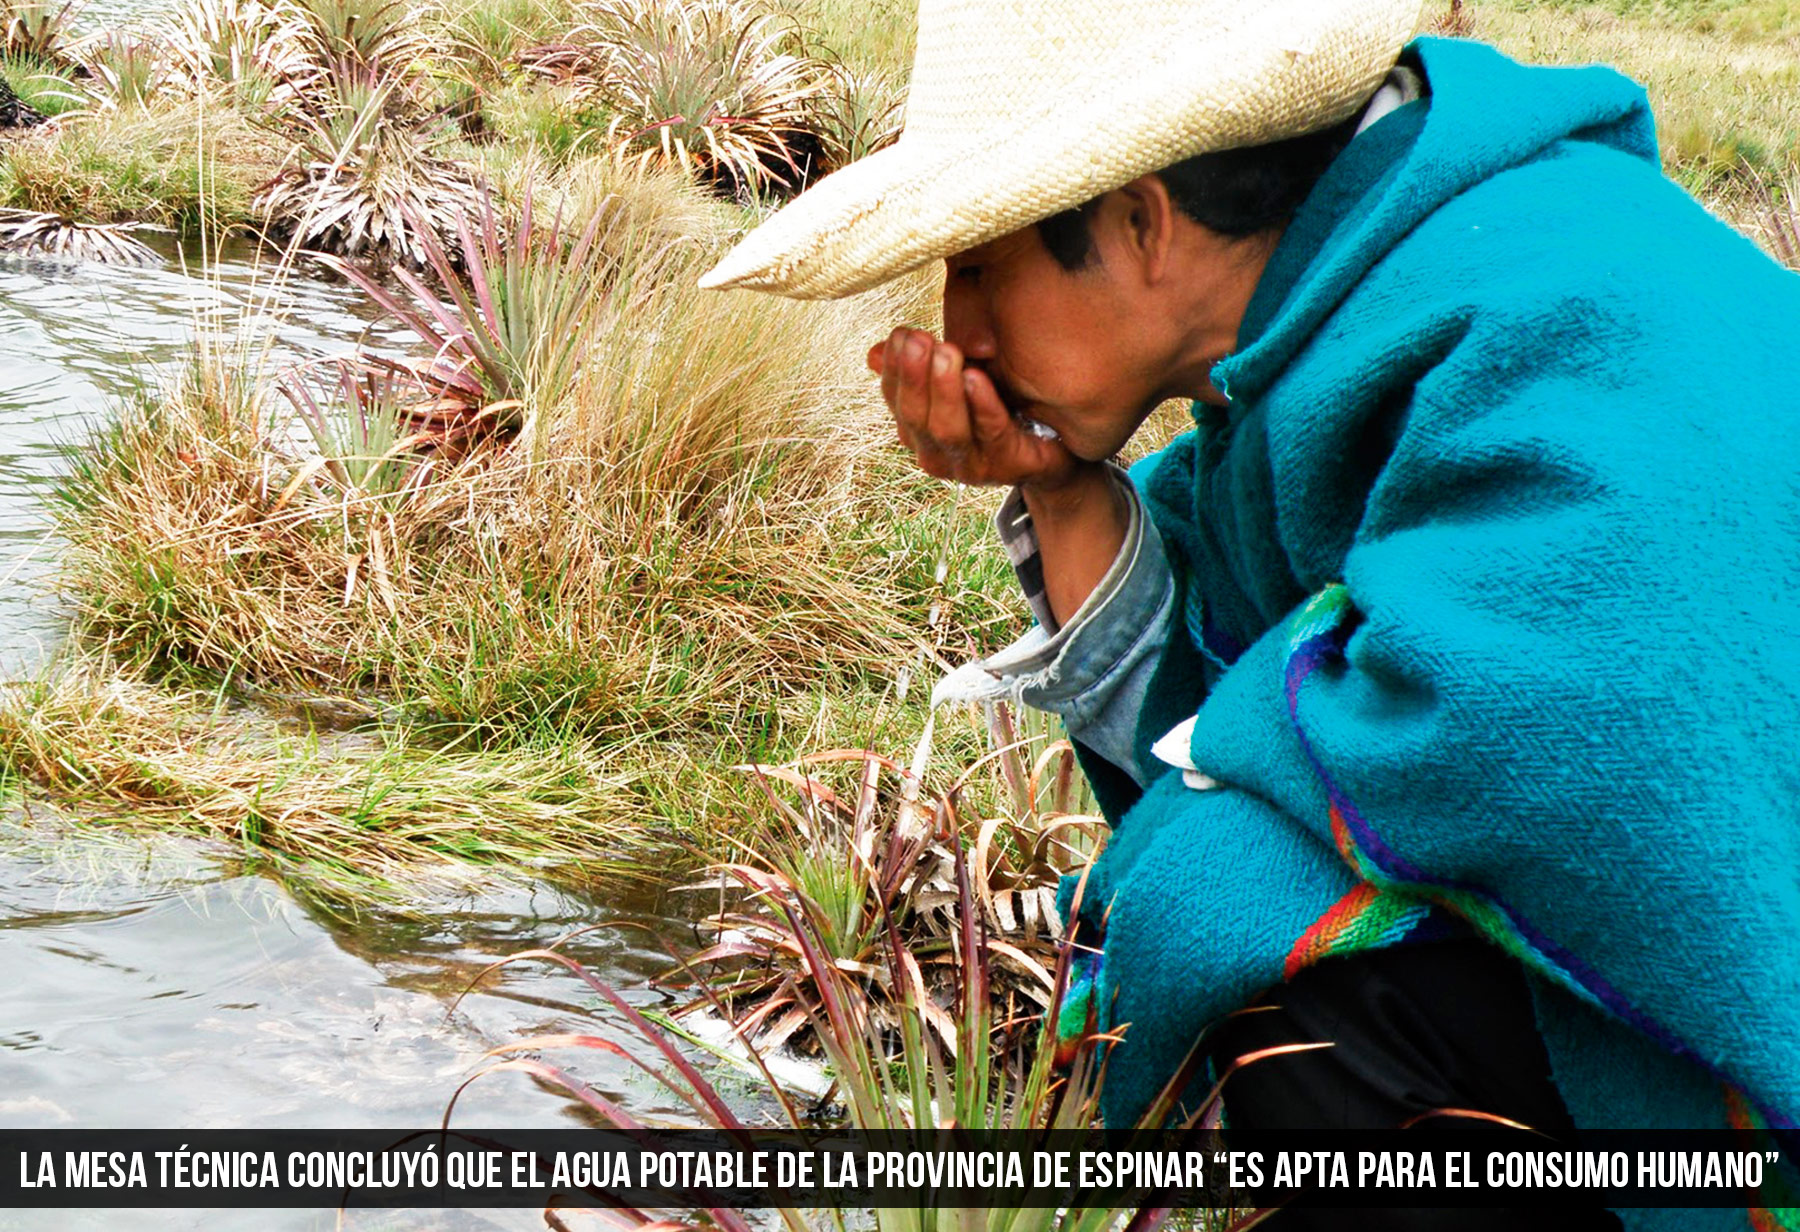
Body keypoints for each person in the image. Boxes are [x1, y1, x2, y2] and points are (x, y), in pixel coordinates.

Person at [701, 2, 1800, 1228]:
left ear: (1139, 222)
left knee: (1306, 999)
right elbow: (1249, 712)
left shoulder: (1560, 316)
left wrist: (1177, 884)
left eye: (980, 263)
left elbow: (1547, 742)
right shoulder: (1368, 313)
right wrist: (1058, 490)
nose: (958, 330)